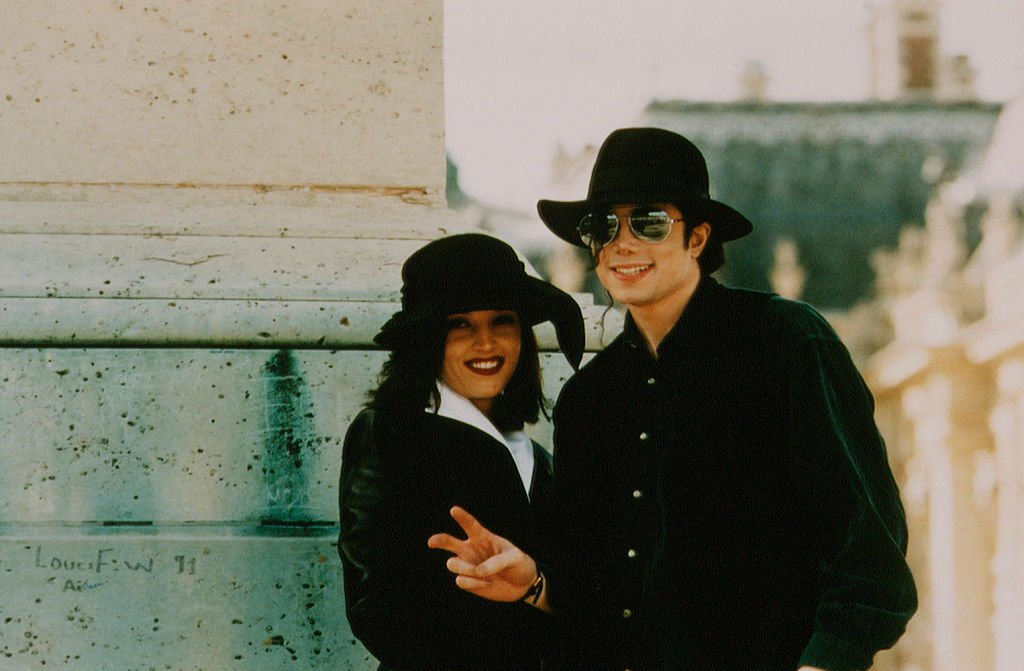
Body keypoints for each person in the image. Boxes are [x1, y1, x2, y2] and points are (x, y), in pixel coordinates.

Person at [428, 128, 917, 671]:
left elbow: (869, 548)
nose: (622, 244)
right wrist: (537, 584)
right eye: (603, 227)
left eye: (649, 223)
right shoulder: (588, 398)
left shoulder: (785, 342)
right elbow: (596, 591)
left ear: (699, 238)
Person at [337, 233, 585, 671]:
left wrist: (537, 587)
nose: (485, 343)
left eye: (501, 321)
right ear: (428, 340)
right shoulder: (390, 435)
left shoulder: (540, 461)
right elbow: (377, 609)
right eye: (460, 324)